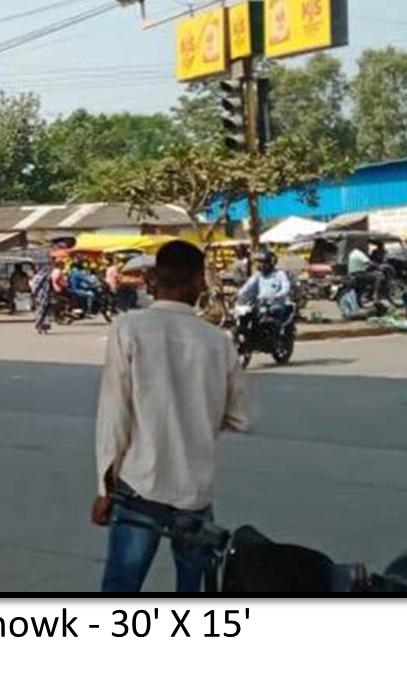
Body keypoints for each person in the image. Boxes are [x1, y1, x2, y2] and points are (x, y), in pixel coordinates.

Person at [94, 241, 253, 593]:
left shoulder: (128, 328)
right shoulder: (218, 341)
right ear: (198, 282)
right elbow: (242, 418)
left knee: (121, 586)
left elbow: (114, 414)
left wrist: (104, 488)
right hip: (194, 493)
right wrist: (200, 412)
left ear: (153, 279)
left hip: (140, 487)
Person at [236, 250, 295, 334]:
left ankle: (277, 337)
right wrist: (239, 294)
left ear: (271, 263)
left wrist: (277, 295)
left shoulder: (280, 274)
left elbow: (285, 288)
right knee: (247, 314)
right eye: (259, 262)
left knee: (275, 311)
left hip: (276, 303)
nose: (261, 265)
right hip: (260, 303)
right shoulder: (257, 275)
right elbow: (248, 286)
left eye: (264, 262)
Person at [32, 263, 54, 335]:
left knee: (41, 311)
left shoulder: (37, 277)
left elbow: (34, 288)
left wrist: (33, 295)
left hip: (41, 296)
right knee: (44, 312)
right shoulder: (45, 277)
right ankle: (41, 326)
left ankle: (40, 326)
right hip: (44, 296)